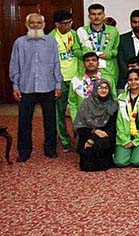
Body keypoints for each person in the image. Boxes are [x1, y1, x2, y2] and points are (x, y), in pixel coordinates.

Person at [10, 13, 63, 162]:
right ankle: (24, 151)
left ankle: (50, 149)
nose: (35, 26)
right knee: (24, 121)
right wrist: (15, 85)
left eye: (38, 23)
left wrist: (58, 84)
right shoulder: (19, 43)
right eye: (32, 23)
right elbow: (15, 65)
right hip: (26, 87)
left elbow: (56, 64)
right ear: (27, 25)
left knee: (50, 120)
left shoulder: (51, 42)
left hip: (48, 86)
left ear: (44, 25)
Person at [49, 10, 83, 152]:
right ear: (57, 24)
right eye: (65, 23)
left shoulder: (75, 34)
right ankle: (64, 139)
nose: (69, 25)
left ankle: (80, 136)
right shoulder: (50, 38)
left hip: (76, 78)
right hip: (60, 79)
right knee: (60, 112)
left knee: (80, 109)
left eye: (70, 22)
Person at [74, 78, 118, 172]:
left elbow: (112, 127)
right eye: (100, 87)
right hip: (88, 133)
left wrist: (94, 139)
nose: (103, 90)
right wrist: (94, 132)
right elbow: (80, 128)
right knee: (86, 164)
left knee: (101, 145)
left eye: (106, 88)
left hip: (105, 135)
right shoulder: (86, 104)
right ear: (95, 89)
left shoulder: (112, 105)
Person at [114, 69, 139, 167]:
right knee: (120, 162)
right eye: (130, 80)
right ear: (127, 81)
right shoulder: (121, 98)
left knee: (137, 162)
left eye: (136, 79)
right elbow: (118, 122)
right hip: (125, 137)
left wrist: (137, 141)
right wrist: (125, 140)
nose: (133, 82)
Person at [77, 3, 121, 84]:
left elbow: (116, 50)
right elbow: (76, 51)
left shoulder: (113, 31)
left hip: (107, 71)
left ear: (104, 15)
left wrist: (108, 54)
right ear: (89, 16)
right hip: (88, 71)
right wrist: (87, 55)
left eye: (99, 14)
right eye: (93, 14)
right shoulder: (82, 31)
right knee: (88, 95)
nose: (96, 17)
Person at [68, 53, 111, 127]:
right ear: (83, 64)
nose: (91, 62)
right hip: (83, 120)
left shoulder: (108, 79)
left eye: (94, 60)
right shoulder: (76, 80)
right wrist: (76, 119)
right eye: (87, 60)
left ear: (98, 63)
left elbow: (113, 101)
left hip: (103, 120)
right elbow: (72, 102)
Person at [117, 9, 139, 91]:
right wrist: (131, 75)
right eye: (134, 22)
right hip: (125, 81)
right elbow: (121, 60)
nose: (137, 24)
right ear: (130, 22)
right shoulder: (122, 39)